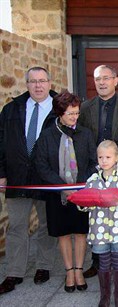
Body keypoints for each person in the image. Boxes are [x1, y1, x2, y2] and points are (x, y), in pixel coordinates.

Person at [78, 64, 118, 278]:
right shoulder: (85, 108)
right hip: (97, 171)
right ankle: (98, 262)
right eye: (97, 79)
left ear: (116, 80)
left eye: (106, 78)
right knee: (98, 215)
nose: (101, 82)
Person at [0, 67, 57, 294]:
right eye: (33, 82)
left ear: (50, 83)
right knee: (16, 226)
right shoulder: (11, 109)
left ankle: (43, 266)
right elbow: (1, 143)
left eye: (42, 81)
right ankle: (14, 271)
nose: (38, 86)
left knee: (45, 225)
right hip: (17, 177)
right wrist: (1, 172)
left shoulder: (60, 107)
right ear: (27, 84)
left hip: (46, 178)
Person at [35, 91, 97, 293]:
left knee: (80, 233)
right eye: (70, 113)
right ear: (60, 113)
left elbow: (93, 163)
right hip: (57, 194)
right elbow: (42, 165)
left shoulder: (86, 134)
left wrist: (78, 186)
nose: (75, 117)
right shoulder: (47, 136)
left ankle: (79, 270)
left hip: (81, 192)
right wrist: (63, 187)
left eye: (77, 113)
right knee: (63, 233)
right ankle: (69, 271)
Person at [80, 140, 118, 307]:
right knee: (103, 263)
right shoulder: (92, 180)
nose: (104, 160)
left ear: (116, 158)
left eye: (108, 157)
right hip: (99, 229)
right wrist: (82, 203)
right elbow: (84, 205)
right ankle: (104, 297)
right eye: (100, 157)